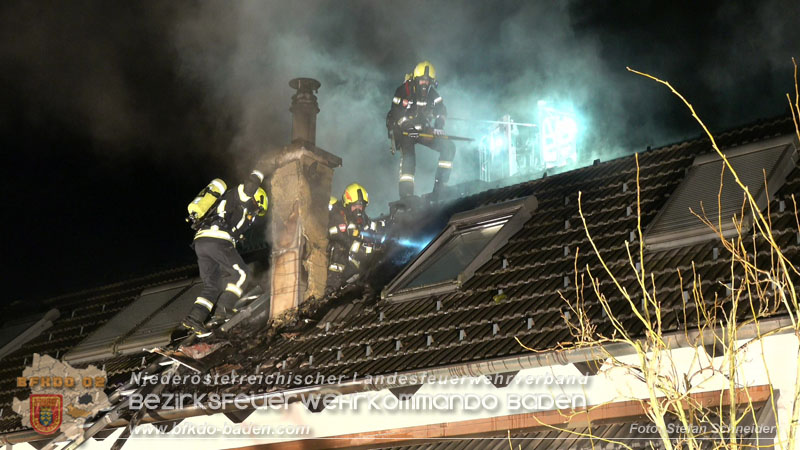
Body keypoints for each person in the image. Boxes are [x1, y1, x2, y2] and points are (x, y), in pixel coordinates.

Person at [182, 170, 268, 335]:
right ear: (257, 200)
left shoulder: (226, 202)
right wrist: (261, 170)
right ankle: (224, 309)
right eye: (258, 210)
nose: (255, 215)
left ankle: (195, 318)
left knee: (212, 285)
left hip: (202, 242)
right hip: (218, 240)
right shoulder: (242, 197)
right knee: (242, 274)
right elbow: (250, 186)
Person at [386, 61, 455, 199]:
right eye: (422, 80)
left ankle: (440, 186)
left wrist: (439, 126)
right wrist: (409, 129)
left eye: (427, 80)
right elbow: (396, 114)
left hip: (421, 129)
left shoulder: (433, 94)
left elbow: (442, 110)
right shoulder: (403, 91)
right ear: (415, 79)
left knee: (449, 147)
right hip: (403, 130)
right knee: (409, 158)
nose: (425, 83)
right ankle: (406, 195)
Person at [326, 183, 382, 291]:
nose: (358, 210)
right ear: (347, 204)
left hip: (353, 260)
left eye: (360, 206)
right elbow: (335, 233)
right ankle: (331, 288)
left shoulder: (363, 219)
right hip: (333, 251)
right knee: (339, 249)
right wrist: (354, 245)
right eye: (355, 206)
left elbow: (371, 227)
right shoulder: (339, 214)